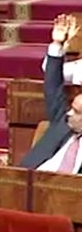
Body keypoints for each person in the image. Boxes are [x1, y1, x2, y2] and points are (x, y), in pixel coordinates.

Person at [20, 15, 82, 173]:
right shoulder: (63, 122)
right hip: (26, 182)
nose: (69, 113)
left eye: (76, 112)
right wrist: (57, 44)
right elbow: (52, 85)